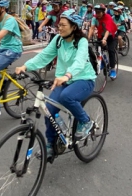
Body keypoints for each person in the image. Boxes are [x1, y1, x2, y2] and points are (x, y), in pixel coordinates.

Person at [14, 9, 96, 153]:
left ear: (74, 27)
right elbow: (44, 56)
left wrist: (67, 75)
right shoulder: (58, 40)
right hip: (63, 80)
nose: (60, 27)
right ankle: (51, 144)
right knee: (49, 111)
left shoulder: (81, 42)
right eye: (59, 25)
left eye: (64, 25)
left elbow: (80, 61)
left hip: (84, 79)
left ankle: (85, 121)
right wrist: (25, 66)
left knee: (67, 97)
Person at [88, 3, 119, 79]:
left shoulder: (108, 17)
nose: (97, 14)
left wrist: (105, 39)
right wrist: (87, 39)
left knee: (111, 50)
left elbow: (108, 30)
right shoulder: (94, 18)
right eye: (96, 12)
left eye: (99, 12)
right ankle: (102, 60)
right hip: (101, 35)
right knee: (98, 49)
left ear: (103, 12)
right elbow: (92, 28)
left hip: (111, 35)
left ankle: (113, 70)